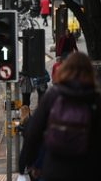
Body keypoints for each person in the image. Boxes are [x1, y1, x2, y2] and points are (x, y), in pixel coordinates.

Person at [24, 52, 101, 181]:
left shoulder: (52, 96)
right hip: (89, 171)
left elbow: (33, 132)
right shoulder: (96, 100)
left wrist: (31, 164)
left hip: (54, 170)